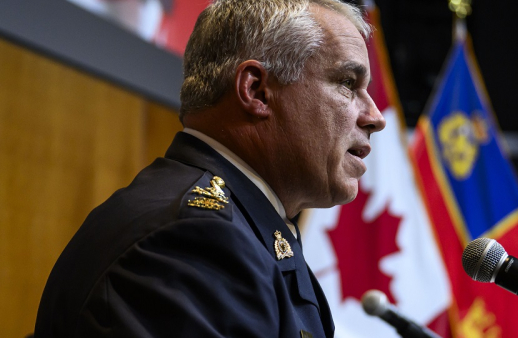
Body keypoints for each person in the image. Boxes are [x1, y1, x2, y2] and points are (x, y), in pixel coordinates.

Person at [34, 0, 385, 337]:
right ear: (257, 91)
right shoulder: (193, 241)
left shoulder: (247, 229)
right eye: (347, 84)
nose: (375, 117)